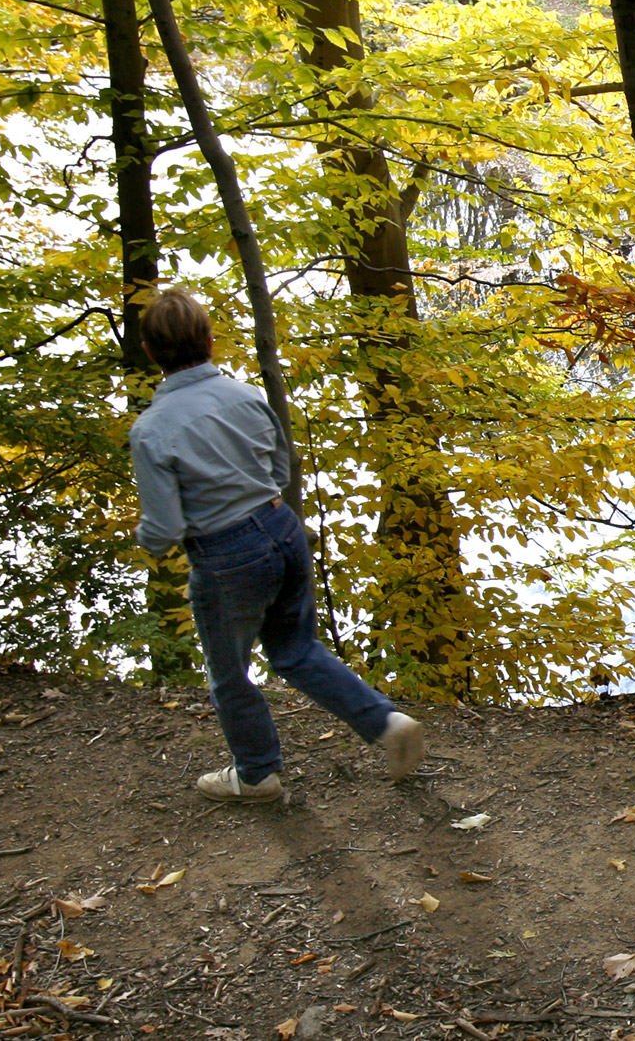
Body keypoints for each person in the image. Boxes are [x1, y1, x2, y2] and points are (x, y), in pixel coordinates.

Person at [129, 290, 424, 802]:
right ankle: (387, 721)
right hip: (281, 527)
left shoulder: (153, 429)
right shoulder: (246, 396)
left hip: (226, 554)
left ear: (150, 352)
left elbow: (163, 527)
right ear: (210, 341)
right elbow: (279, 467)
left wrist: (149, 540)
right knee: (295, 648)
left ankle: (257, 774)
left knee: (228, 674)